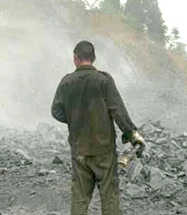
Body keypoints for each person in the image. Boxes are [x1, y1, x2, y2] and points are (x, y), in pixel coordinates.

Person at [51, 40, 146, 215]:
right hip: (104, 150)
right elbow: (117, 111)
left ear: (75, 58)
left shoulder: (67, 82)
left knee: (79, 198)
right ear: (93, 58)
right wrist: (132, 134)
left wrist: (75, 119)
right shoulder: (104, 80)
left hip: (79, 149)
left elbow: (56, 111)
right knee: (109, 197)